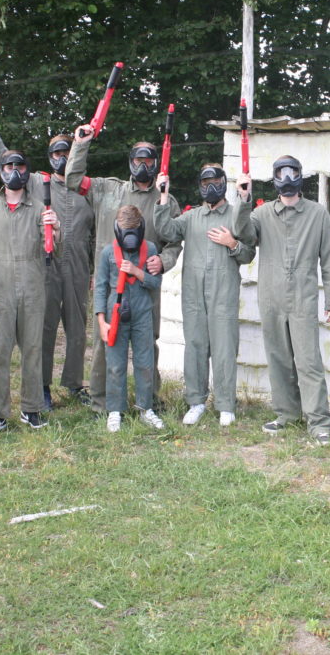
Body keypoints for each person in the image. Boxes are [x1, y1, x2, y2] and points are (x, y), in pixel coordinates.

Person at [0, 109, 95, 409]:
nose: (60, 157)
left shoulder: (87, 187)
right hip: (44, 266)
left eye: (66, 152)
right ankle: (40, 386)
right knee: (43, 329)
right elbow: (6, 160)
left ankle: (73, 383)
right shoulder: (36, 183)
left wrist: (96, 269)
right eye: (55, 152)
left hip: (79, 266)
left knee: (77, 328)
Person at [66, 124, 182, 414]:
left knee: (147, 345)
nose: (143, 167)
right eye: (138, 161)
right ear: (130, 162)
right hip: (110, 284)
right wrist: (80, 145)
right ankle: (102, 404)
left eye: (149, 162)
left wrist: (164, 261)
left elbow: (174, 241)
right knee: (105, 343)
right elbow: (72, 179)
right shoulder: (108, 189)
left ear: (156, 164)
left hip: (144, 285)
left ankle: (149, 402)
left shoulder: (166, 199)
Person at [152, 164, 255, 427]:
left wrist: (232, 243)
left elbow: (248, 253)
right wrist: (163, 196)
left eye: (216, 181)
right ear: (200, 186)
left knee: (223, 349)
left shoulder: (235, 215)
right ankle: (196, 402)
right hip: (194, 295)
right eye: (206, 182)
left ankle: (225, 405)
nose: (211, 187)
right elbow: (167, 230)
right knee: (195, 347)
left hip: (224, 294)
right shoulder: (191, 218)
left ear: (224, 183)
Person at [250, 155, 330, 445]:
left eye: (292, 171)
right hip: (271, 296)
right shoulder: (261, 214)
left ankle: (320, 421)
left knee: (308, 360)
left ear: (301, 175)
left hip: (303, 296)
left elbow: (329, 257)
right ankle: (287, 414)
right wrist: (242, 198)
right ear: (274, 177)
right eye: (281, 172)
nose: (287, 178)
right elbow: (244, 238)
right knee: (278, 358)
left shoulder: (317, 213)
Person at [0, 149, 61, 433]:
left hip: (33, 285)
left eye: (20, 167)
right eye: (9, 166)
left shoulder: (39, 208)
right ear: (1, 171)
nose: (14, 172)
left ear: (27, 172)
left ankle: (31, 409)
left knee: (33, 350)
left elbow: (52, 247)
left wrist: (55, 229)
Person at [94, 206, 165, 431]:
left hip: (143, 314)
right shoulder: (107, 253)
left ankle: (146, 408)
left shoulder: (151, 249)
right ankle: (115, 410)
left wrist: (136, 271)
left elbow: (156, 283)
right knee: (115, 364)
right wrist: (101, 321)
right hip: (115, 315)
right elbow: (100, 287)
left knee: (145, 363)